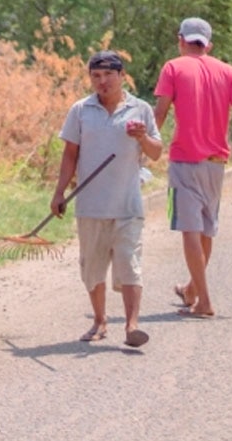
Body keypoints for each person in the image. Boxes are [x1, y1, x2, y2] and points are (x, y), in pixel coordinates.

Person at [51, 51, 162, 348]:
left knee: (129, 264)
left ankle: (132, 325)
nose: (102, 82)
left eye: (108, 75)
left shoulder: (140, 110)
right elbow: (70, 155)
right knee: (92, 267)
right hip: (91, 205)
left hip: (128, 205)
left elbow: (155, 152)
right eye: (96, 76)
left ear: (121, 75)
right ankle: (100, 321)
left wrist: (142, 137)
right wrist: (59, 192)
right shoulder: (81, 110)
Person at [153, 17, 232, 319]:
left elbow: (159, 112)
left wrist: (142, 148)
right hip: (217, 164)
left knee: (190, 230)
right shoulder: (227, 71)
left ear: (181, 40)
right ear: (208, 44)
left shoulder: (173, 67)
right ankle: (191, 291)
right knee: (206, 229)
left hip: (185, 161)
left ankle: (205, 302)